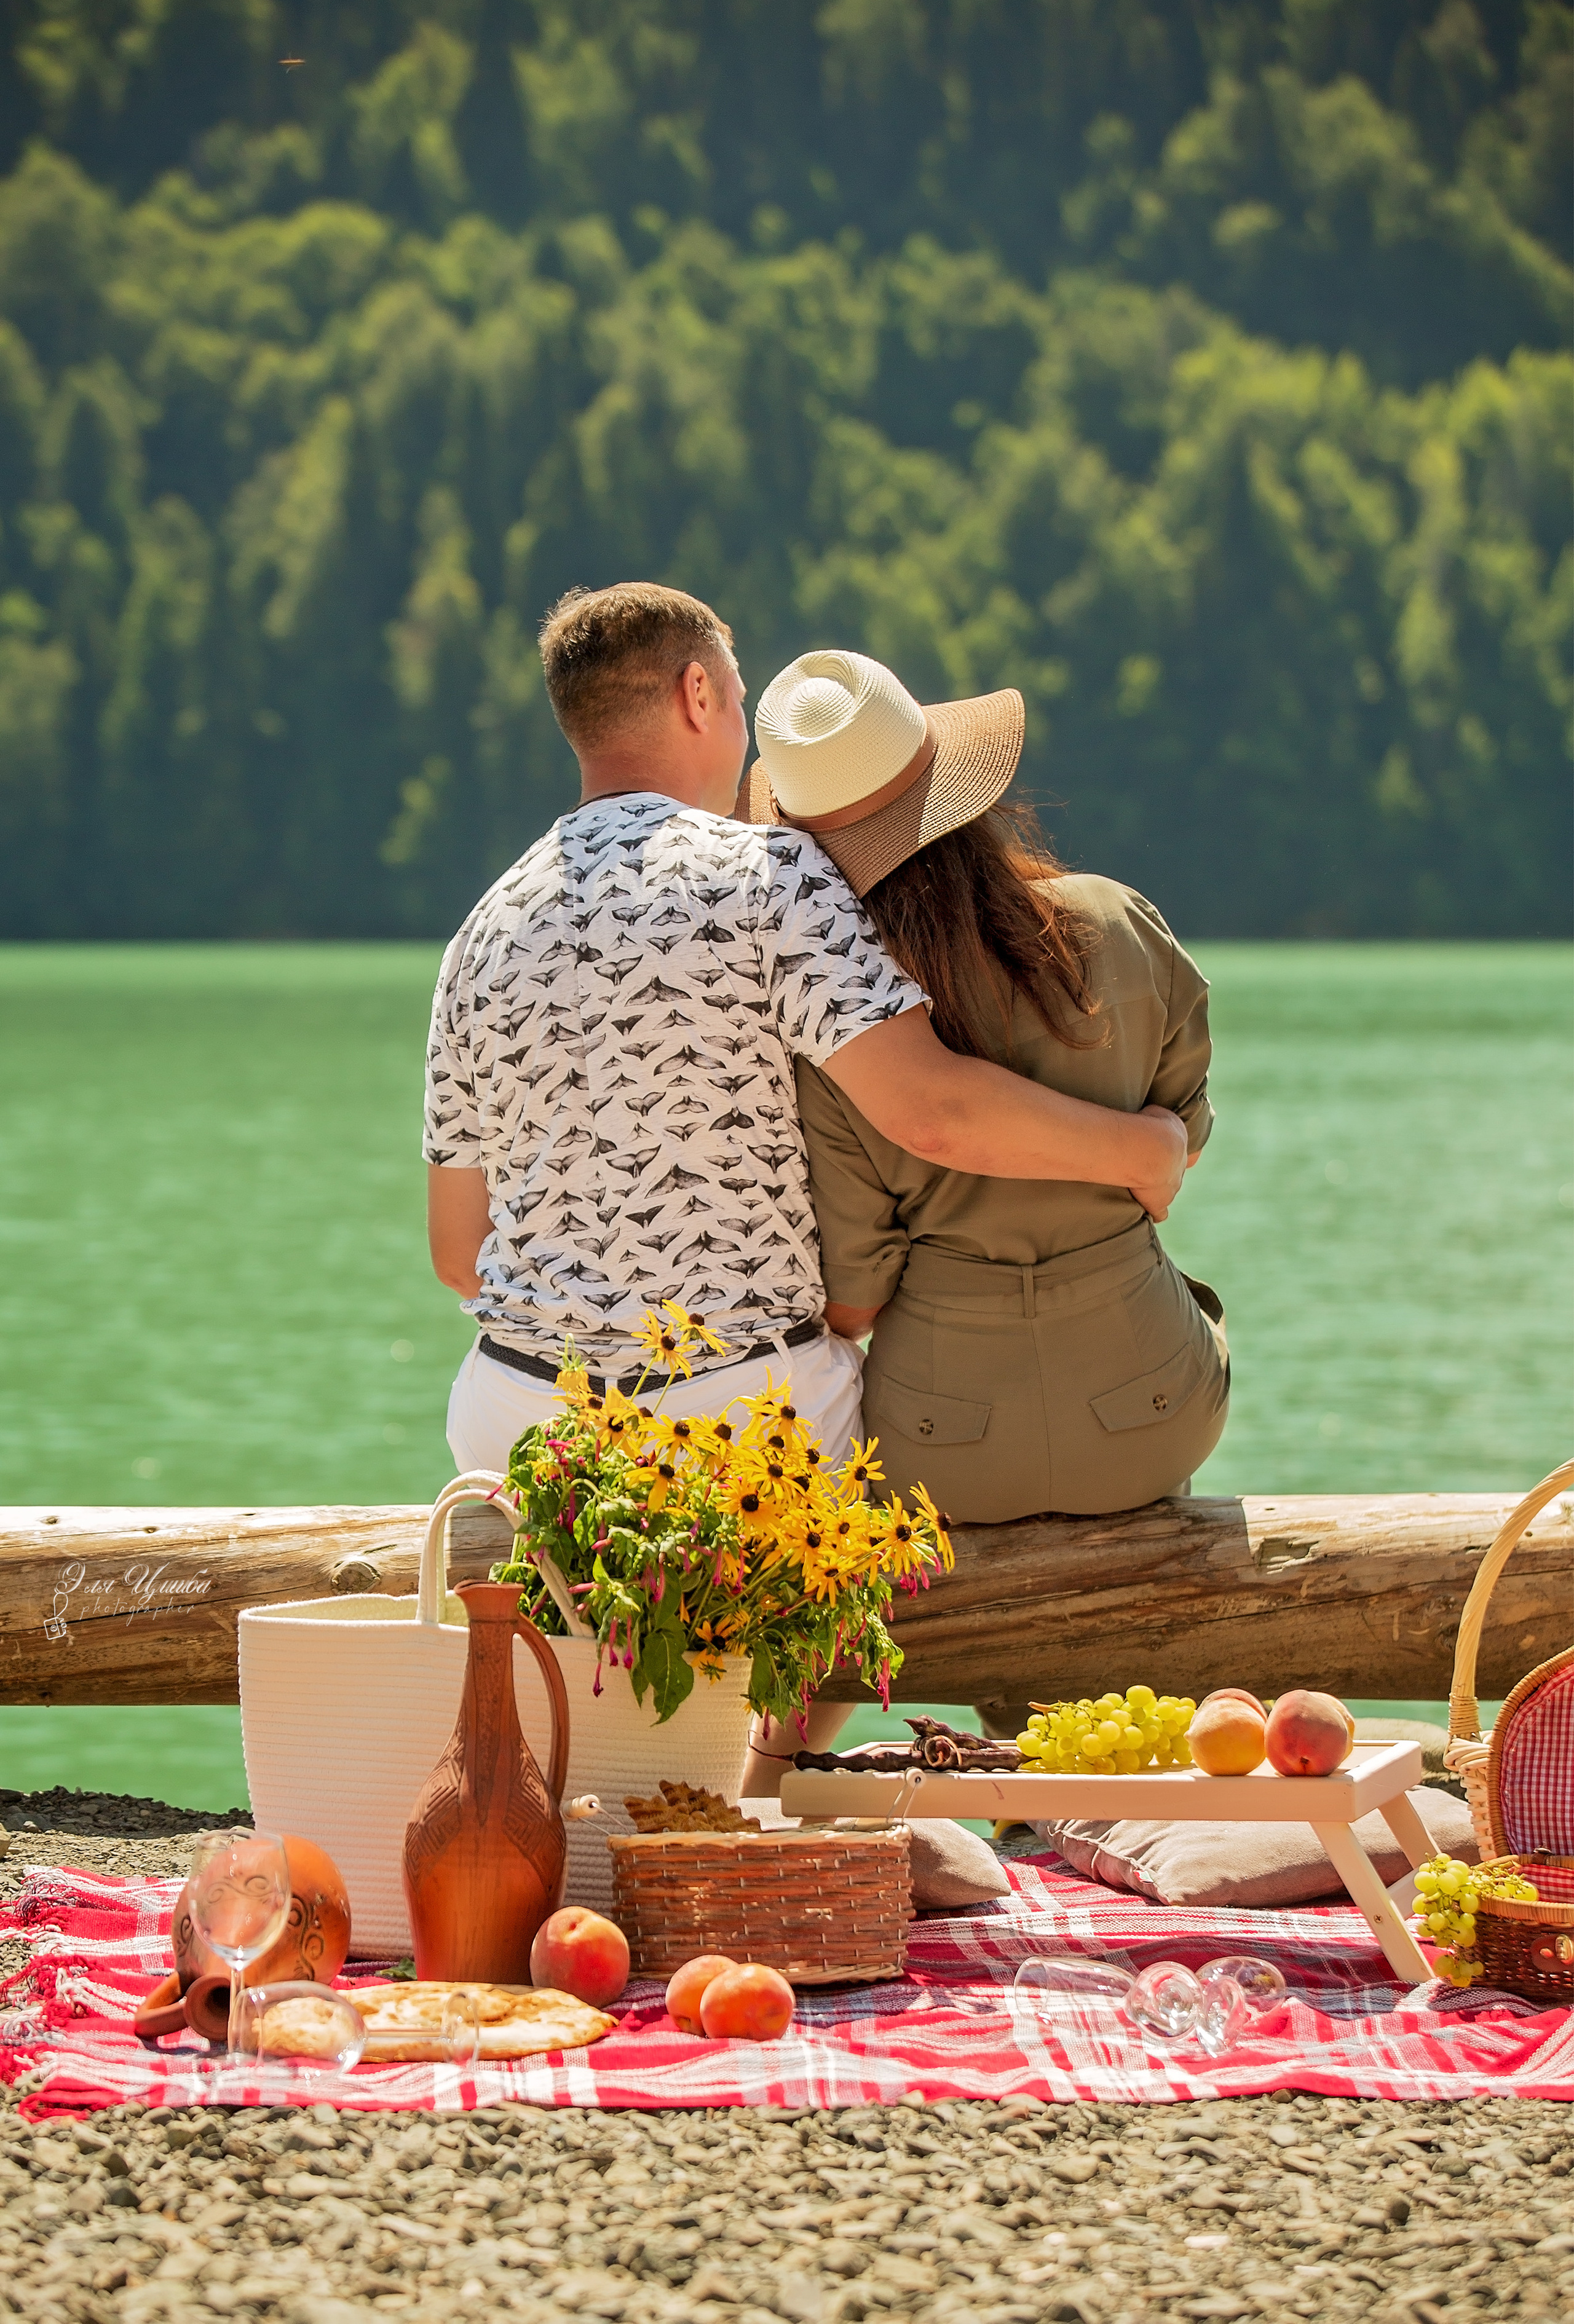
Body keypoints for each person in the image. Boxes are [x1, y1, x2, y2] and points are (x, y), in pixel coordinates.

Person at [423, 583, 1189, 1773]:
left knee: (597, 1758)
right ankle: (762, 1797)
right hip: (732, 1416)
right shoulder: (766, 874)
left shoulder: (480, 930)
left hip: (519, 1418)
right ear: (698, 694)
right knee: (871, 1443)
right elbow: (928, 1107)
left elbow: (455, 1251)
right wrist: (1135, 1152)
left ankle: (629, 1802)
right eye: (734, 697)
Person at [746, 647, 1228, 1539]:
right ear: (966, 793)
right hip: (1150, 1402)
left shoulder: (845, 1037)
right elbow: (1183, 1142)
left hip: (945, 1442)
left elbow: (852, 1302)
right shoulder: (1121, 923)